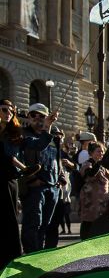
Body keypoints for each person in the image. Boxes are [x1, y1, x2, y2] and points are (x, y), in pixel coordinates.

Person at [19, 103, 63, 252]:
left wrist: (60, 178)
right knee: (33, 224)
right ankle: (31, 254)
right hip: (35, 187)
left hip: (52, 186)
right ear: (28, 117)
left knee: (46, 225)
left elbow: (57, 159)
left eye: (42, 116)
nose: (37, 118)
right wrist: (30, 180)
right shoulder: (23, 134)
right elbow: (21, 161)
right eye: (33, 115)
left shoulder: (53, 136)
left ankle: (40, 255)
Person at [0, 99, 24, 267]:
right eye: (4, 110)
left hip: (8, 181)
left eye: (11, 111)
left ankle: (11, 260)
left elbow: (12, 157)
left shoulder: (14, 134)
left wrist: (47, 127)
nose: (8, 113)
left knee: (10, 220)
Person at [78, 142, 109, 239]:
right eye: (98, 151)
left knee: (100, 224)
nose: (101, 153)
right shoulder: (88, 163)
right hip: (90, 201)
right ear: (91, 153)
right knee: (88, 223)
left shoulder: (103, 166)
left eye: (102, 151)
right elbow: (90, 174)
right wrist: (100, 163)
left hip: (102, 201)